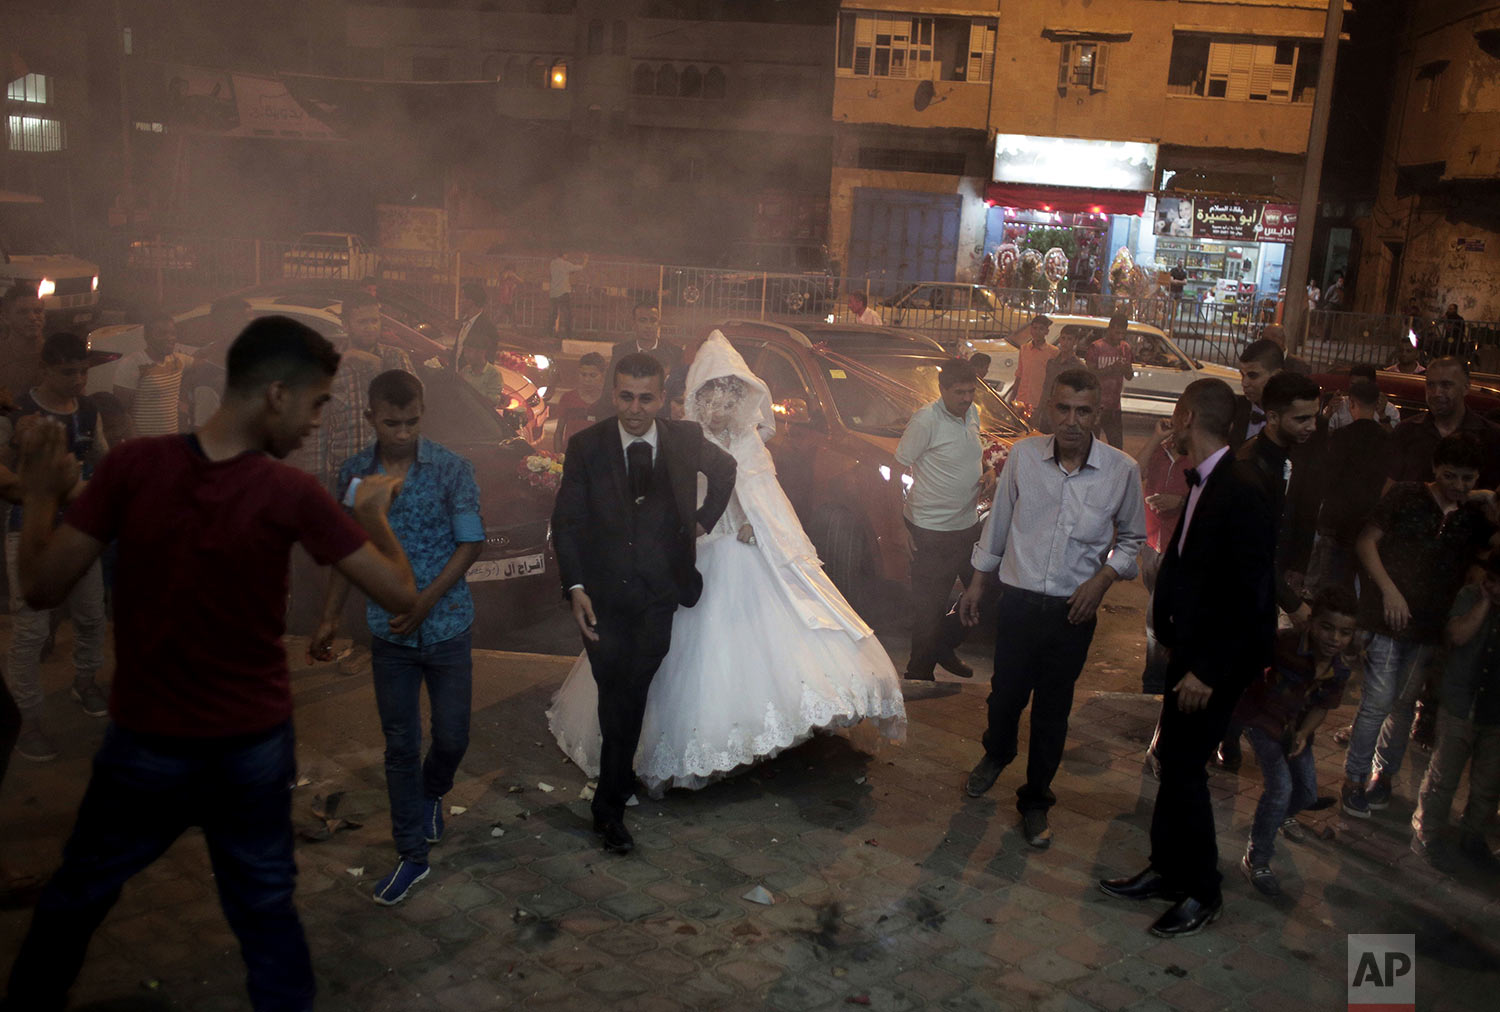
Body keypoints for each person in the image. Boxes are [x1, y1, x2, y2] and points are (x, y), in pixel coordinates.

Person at [0, 315, 416, 1012]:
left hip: (146, 747)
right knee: (267, 923)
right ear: (275, 395)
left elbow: (40, 585)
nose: (319, 422)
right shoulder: (293, 495)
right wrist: (375, 516)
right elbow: (400, 593)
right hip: (248, 752)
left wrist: (42, 493)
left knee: (74, 903)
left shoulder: (135, 467)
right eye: (316, 404)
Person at [548, 335, 905, 801]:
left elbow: (748, 487)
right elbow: (571, 518)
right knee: (628, 681)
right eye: (710, 396)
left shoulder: (702, 440)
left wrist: (720, 524)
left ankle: (629, 781)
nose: (719, 406)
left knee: (673, 670)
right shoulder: (606, 444)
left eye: (728, 396)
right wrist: (579, 582)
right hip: (641, 575)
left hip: (695, 562)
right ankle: (617, 781)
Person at [1099, 378, 1277, 938]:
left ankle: (1203, 889)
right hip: (1190, 649)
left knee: (1185, 768)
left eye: (1176, 416)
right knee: (1172, 762)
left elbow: (1250, 594)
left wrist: (1208, 669)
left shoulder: (1242, 485)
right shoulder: (1206, 478)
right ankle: (1167, 869)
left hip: (1213, 662)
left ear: (1188, 413)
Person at [549, 352, 736, 855]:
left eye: (646, 397)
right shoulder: (586, 447)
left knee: (630, 690)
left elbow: (727, 471)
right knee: (618, 691)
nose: (635, 408)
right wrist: (576, 588)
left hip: (660, 594)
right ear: (614, 394)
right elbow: (566, 524)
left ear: (662, 396)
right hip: (603, 598)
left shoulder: (685, 440)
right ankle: (611, 800)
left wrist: (700, 522)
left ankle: (611, 793)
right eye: (626, 396)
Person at [312, 369, 484, 906]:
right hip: (388, 638)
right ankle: (412, 854)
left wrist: (422, 603)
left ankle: (434, 792)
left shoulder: (451, 469)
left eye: (412, 421)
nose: (403, 431)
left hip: (448, 623)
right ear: (370, 419)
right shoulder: (356, 474)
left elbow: (470, 545)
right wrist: (329, 618)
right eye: (392, 422)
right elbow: (346, 551)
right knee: (400, 746)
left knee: (453, 738)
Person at [958, 368, 1146, 848]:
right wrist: (978, 584)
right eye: (1063, 409)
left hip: (1072, 613)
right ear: (1049, 410)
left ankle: (1036, 801)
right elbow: (997, 524)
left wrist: (1102, 580)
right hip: (1018, 602)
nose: (1072, 421)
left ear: (1097, 414)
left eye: (1083, 411)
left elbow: (1133, 541)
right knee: (1004, 697)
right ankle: (996, 753)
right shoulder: (1023, 457)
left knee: (1052, 712)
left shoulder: (1121, 470)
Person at [1341, 434, 1497, 817]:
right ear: (1435, 469)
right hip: (1386, 617)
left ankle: (1384, 775)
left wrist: (1483, 499)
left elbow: (1492, 547)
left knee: (1403, 704)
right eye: (1451, 476)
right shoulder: (1408, 496)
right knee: (1377, 703)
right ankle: (1354, 779)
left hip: (1429, 625)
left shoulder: (1469, 516)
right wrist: (1390, 592)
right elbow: (1366, 543)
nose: (1458, 485)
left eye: (1466, 478)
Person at [0, 333, 110, 762]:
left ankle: (85, 683)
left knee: (91, 616)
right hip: (27, 529)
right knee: (30, 631)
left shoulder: (88, 408)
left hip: (80, 532)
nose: (79, 380)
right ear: (45, 370)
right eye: (68, 373)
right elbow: (6, 481)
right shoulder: (17, 412)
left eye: (83, 372)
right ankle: (27, 721)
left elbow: (101, 457)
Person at [1235, 587, 1359, 897]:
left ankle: (1278, 815)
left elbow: (1321, 706)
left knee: (1305, 793)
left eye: (1345, 632)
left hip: (1296, 731)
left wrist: (1304, 734)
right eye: (1327, 627)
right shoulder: (1285, 644)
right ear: (1312, 622)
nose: (1334, 638)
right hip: (1262, 721)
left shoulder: (1340, 666)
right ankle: (1257, 858)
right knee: (1280, 788)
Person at [894, 358, 994, 681]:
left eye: (971, 391)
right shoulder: (925, 421)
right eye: (959, 392)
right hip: (929, 530)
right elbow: (893, 470)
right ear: (942, 389)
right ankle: (919, 675)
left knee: (988, 591)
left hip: (967, 526)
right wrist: (898, 525)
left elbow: (971, 455)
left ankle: (943, 643)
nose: (967, 398)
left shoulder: (973, 414)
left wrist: (988, 472)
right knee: (929, 609)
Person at [1410, 557, 1500, 872]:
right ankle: (1426, 835)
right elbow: (1458, 635)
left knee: (1488, 782)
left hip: (1496, 711)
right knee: (1442, 777)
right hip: (1461, 702)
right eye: (1493, 580)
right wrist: (1485, 603)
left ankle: (1472, 837)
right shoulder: (1470, 597)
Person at [314, 291, 413, 491]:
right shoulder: (330, 366)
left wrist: (375, 364)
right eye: (363, 322)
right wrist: (317, 476)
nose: (371, 328)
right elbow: (319, 426)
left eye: (374, 321)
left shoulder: (395, 358)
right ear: (346, 325)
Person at [1310, 378, 1391, 593]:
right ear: (1376, 405)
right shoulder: (1385, 440)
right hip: (1368, 523)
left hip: (1337, 522)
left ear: (1352, 403)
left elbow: (1329, 477)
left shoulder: (1342, 436)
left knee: (1330, 585)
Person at [1386, 356, 1500, 489]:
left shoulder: (1492, 437)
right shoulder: (1406, 432)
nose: (1436, 393)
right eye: (1431, 385)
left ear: (1466, 388)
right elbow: (1389, 489)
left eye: (1446, 385)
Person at [1137, 417, 1190, 694]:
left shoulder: (1199, 459)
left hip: (1178, 550)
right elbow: (1136, 470)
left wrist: (1180, 501)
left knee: (1155, 618)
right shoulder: (1162, 450)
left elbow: (1212, 496)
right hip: (1152, 544)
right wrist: (1156, 437)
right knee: (1162, 612)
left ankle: (1154, 682)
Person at [114, 312, 192, 436]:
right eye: (162, 333)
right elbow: (122, 411)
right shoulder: (133, 364)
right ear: (147, 336)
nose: (170, 338)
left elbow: (204, 364)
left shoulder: (178, 361)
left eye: (173, 333)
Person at [1085, 312, 1133, 447]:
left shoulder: (1125, 348)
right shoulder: (1096, 347)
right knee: (1091, 444)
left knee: (1116, 445)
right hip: (1096, 404)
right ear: (1110, 329)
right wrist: (1111, 368)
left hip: (1114, 406)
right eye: (1117, 332)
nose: (1119, 336)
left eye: (1122, 333)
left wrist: (1127, 369)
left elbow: (1129, 376)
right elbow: (1090, 373)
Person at [608, 302, 683, 383]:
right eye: (643, 320)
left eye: (653, 320)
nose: (648, 326)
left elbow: (678, 390)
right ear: (633, 323)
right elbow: (609, 389)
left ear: (659, 324)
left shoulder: (674, 353)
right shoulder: (620, 352)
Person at [1229, 338, 1284, 447]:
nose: (1244, 383)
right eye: (1242, 375)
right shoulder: (1232, 411)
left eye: (1253, 375)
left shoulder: (1294, 418)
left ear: (1276, 376)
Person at [1035, 328, 1086, 435]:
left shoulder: (1079, 366)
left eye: (1069, 339)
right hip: (1048, 412)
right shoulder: (1052, 363)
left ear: (1075, 341)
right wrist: (1039, 410)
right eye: (1063, 338)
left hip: (1065, 413)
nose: (1065, 342)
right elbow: (1046, 388)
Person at [554, 351, 608, 451]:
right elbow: (559, 432)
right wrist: (558, 456)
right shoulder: (567, 399)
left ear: (603, 375)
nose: (587, 379)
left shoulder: (608, 401)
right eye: (583, 375)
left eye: (593, 375)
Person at [0, 285, 46, 396]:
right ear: (5, 318)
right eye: (23, 312)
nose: (33, 318)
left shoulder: (57, 355)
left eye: (38, 311)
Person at [1325, 365, 1400, 430]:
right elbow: (1321, 435)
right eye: (1352, 384)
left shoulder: (1389, 409)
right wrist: (1329, 413)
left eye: (1361, 384)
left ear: (1373, 385)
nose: (1356, 389)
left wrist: (1382, 416)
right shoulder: (1339, 405)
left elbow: (1393, 440)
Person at [1008, 315, 1056, 415]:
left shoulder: (1053, 352)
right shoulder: (1024, 349)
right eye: (1034, 328)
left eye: (1041, 329)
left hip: (1038, 404)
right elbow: (1019, 375)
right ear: (1030, 330)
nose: (1037, 331)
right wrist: (1012, 398)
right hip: (1021, 401)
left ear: (1046, 332)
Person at [453, 281, 499, 367]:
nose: (459, 302)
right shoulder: (465, 323)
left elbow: (488, 360)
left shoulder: (487, 327)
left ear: (471, 301)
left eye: (462, 298)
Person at [549, 250, 588, 341]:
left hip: (553, 292)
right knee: (567, 314)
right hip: (563, 292)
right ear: (564, 255)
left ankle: (550, 332)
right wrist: (586, 260)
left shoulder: (552, 263)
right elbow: (580, 268)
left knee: (553, 314)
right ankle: (568, 334)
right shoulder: (566, 264)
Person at [457, 335, 506, 406]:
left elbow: (492, 402)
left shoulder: (494, 374)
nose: (466, 355)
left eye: (469, 351)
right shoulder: (465, 371)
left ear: (481, 352)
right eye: (465, 351)